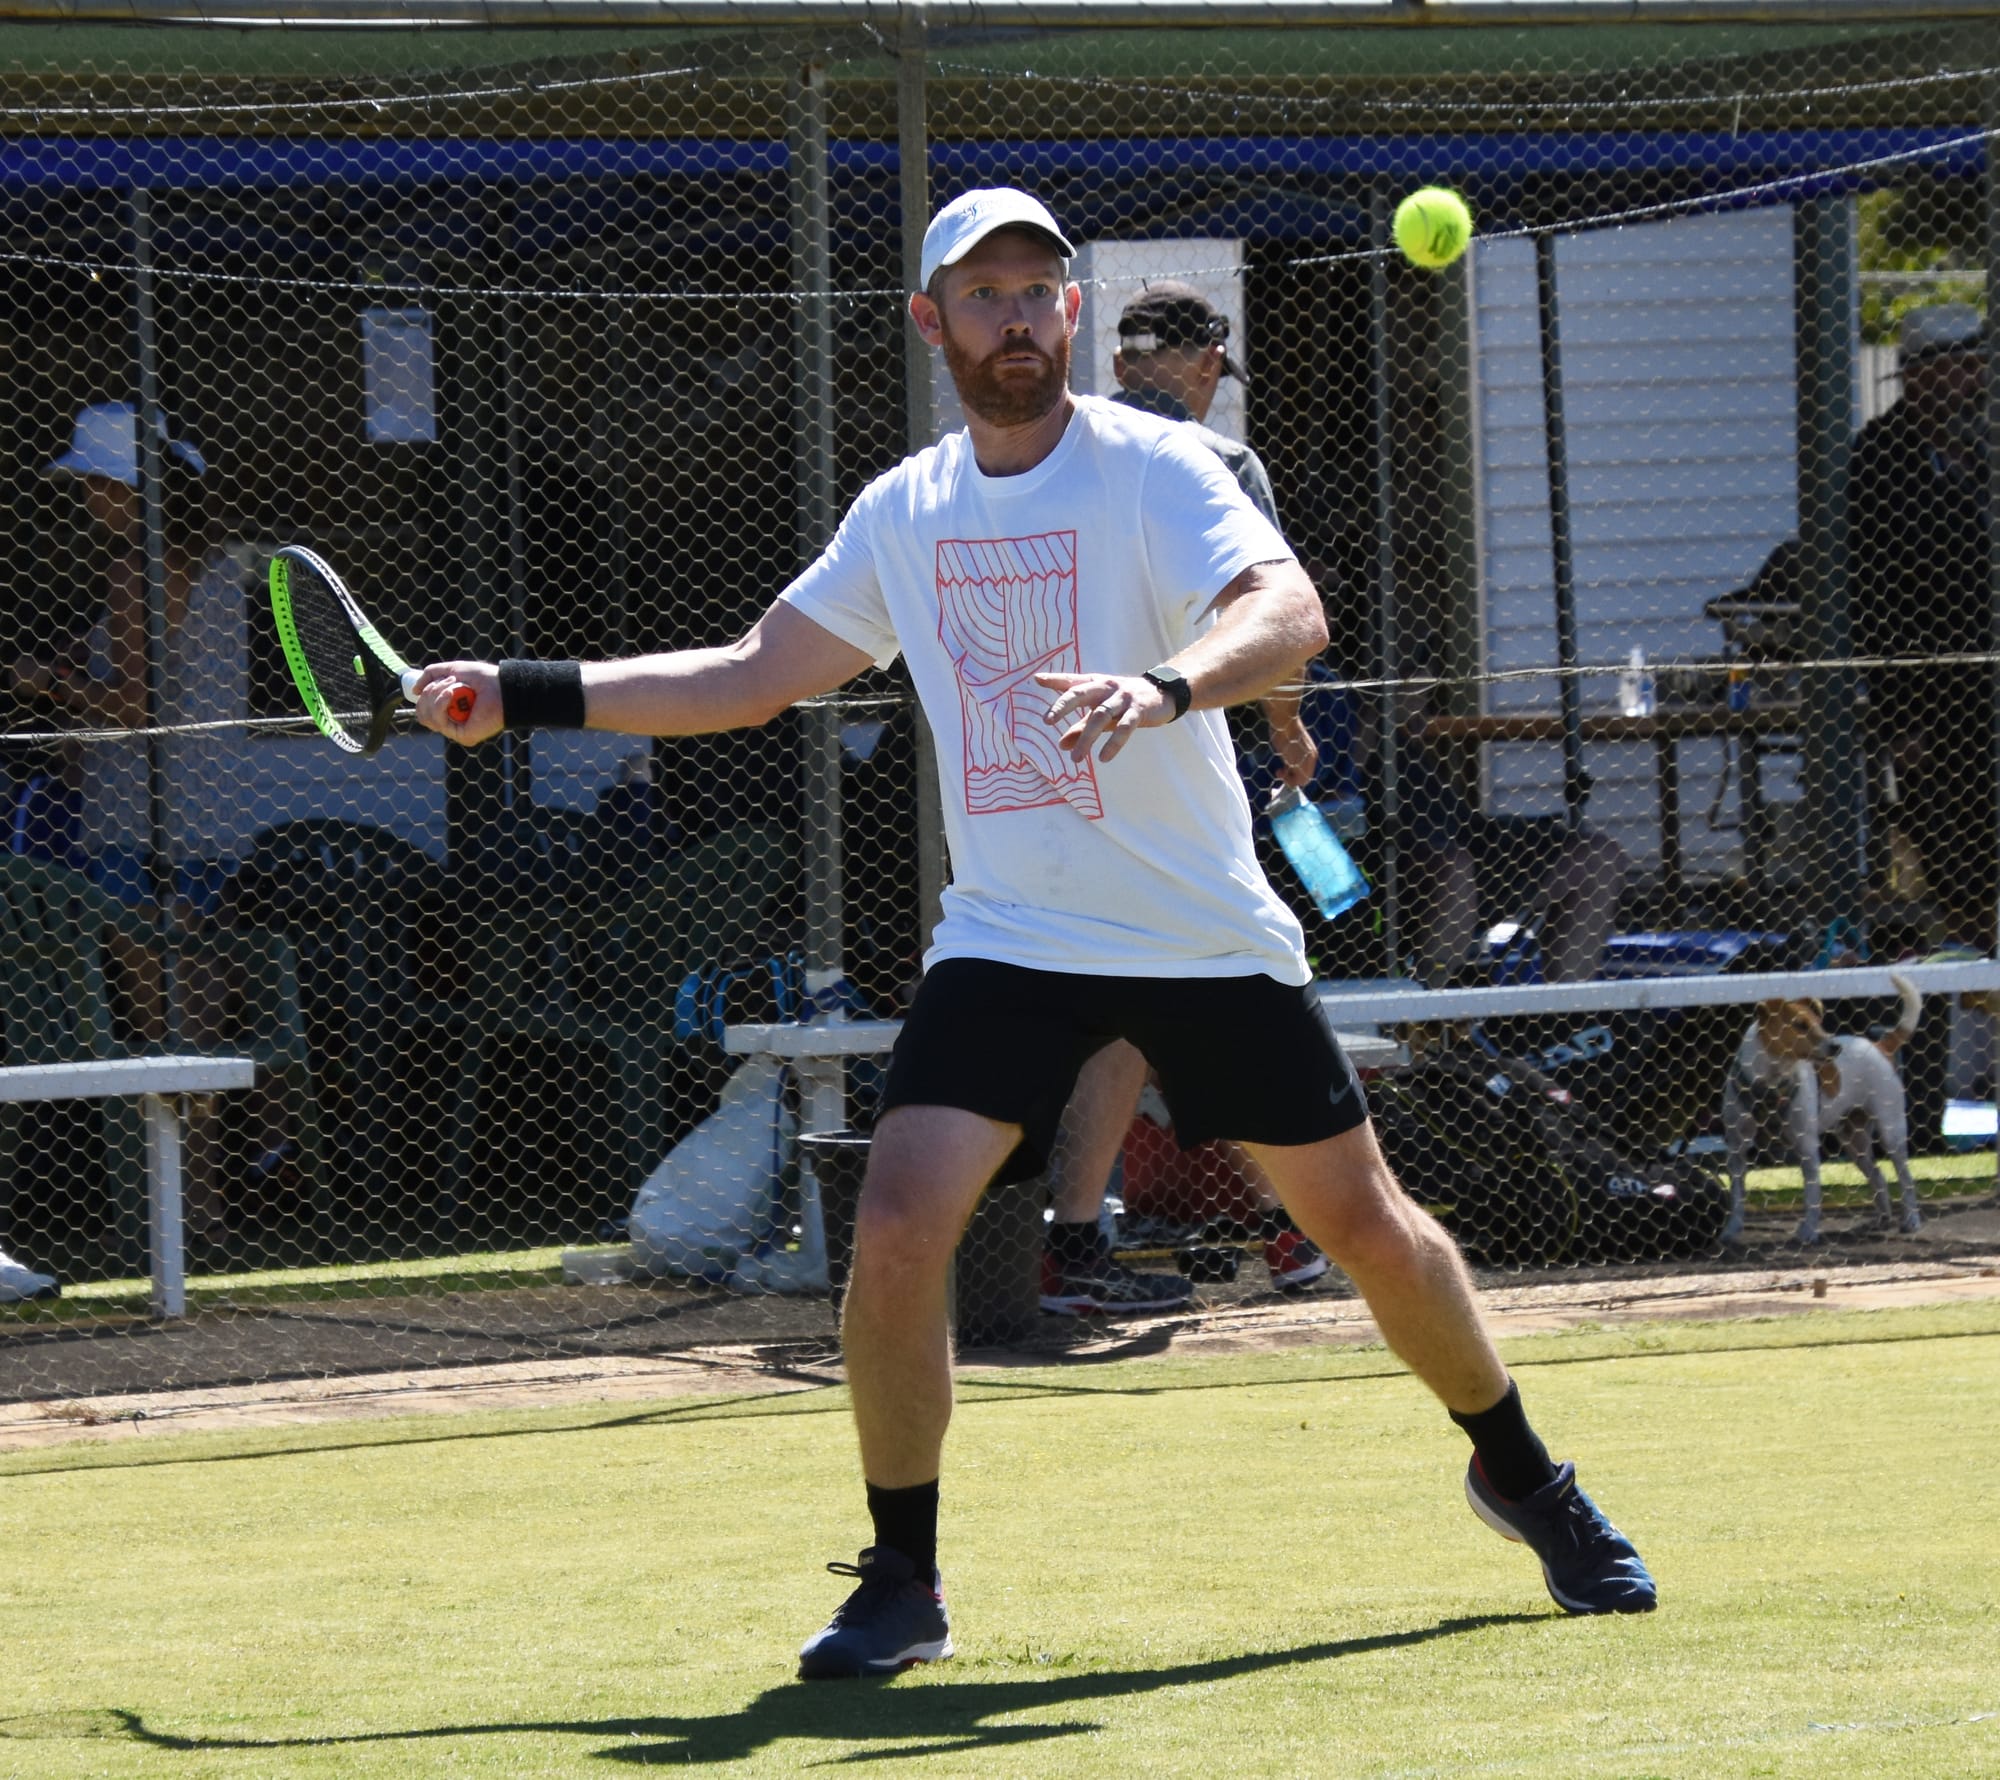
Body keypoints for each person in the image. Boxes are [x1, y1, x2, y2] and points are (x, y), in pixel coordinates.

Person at [414, 186, 1657, 1680]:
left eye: (1035, 292)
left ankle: (1523, 1476)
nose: (1013, 319)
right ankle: (903, 1579)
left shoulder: (1158, 465)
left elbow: (1289, 609)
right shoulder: (906, 509)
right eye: (981, 294)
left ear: (1070, 313)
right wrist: (519, 692)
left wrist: (1166, 686)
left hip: (1196, 930)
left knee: (1365, 1228)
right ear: (930, 322)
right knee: (895, 1223)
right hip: (1009, 935)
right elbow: (751, 673)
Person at [1041, 280, 1329, 1315]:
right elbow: (1272, 623)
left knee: (1137, 1012)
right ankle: (1291, 1228)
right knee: (1240, 986)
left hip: (1042, 765)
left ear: (1120, 363)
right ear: (1207, 363)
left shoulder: (1049, 452)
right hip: (1164, 772)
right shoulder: (1218, 461)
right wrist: (1287, 729)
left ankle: (1082, 1245)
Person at [1849, 302, 1992, 945]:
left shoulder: (1986, 451)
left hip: (1989, 684)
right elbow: (1872, 596)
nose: (1975, 383)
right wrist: (1901, 717)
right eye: (1961, 369)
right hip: (1932, 701)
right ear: (1918, 377)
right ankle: (1972, 974)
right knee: (1958, 865)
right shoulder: (1879, 462)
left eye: (1979, 367)